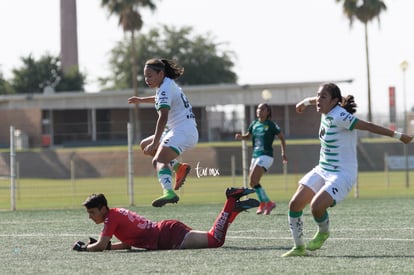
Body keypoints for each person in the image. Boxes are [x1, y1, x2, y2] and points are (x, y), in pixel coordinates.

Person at [281, 82, 413, 257]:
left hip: (342, 173)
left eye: (323, 97)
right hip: (322, 169)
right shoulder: (326, 108)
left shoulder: (340, 116)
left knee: (316, 207)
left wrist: (399, 136)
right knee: (294, 205)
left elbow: (368, 126)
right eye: (318, 96)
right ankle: (299, 248)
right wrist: (304, 103)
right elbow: (316, 100)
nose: (318, 100)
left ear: (335, 101)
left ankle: (323, 232)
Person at [72, 188, 259, 252]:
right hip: (168, 232)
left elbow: (100, 245)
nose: (90, 216)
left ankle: (231, 201)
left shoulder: (110, 219)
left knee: (216, 240)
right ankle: (232, 210)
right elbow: (127, 245)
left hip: (170, 235)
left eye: (92, 212)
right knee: (213, 238)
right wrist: (107, 247)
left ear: (103, 209)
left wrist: (84, 248)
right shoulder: (113, 214)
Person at [128, 58, 198, 207]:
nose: (147, 79)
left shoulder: (165, 88)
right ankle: (179, 167)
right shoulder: (166, 85)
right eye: (145, 76)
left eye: (150, 75)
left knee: (158, 160)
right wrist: (141, 99)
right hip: (181, 129)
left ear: (161, 73)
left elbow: (163, 116)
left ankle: (169, 192)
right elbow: (159, 98)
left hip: (182, 131)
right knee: (144, 144)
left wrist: (155, 142)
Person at [235, 103, 288, 215]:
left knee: (254, 178)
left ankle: (268, 203)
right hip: (255, 156)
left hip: (266, 155)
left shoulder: (271, 125)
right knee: (253, 182)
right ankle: (264, 203)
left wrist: (283, 153)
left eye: (262, 109)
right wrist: (241, 137)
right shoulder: (254, 124)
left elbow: (282, 138)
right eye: (258, 109)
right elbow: (248, 136)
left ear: (268, 112)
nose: (259, 111)